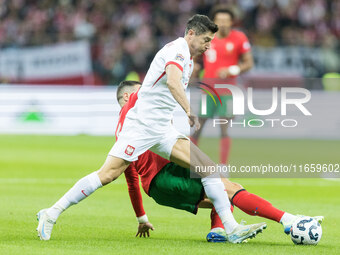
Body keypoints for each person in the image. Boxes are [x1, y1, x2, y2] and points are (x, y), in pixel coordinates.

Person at [36, 14, 266, 243]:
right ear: (191, 33)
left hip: (162, 129)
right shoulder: (177, 50)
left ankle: (231, 228)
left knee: (208, 168)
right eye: (206, 39)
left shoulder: (187, 57)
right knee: (107, 174)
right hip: (142, 127)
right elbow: (173, 81)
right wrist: (188, 110)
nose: (209, 45)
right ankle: (51, 213)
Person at [116, 81, 324, 242]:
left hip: (156, 190)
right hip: (170, 171)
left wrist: (142, 218)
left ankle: (217, 230)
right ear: (127, 96)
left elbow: (132, 181)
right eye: (139, 91)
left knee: (219, 193)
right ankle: (289, 220)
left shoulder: (121, 133)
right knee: (231, 189)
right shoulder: (142, 112)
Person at [191, 6, 254, 165]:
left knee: (224, 128)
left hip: (227, 91)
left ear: (232, 22)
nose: (223, 24)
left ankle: (223, 166)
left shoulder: (239, 38)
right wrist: (195, 68)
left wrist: (232, 69)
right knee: (198, 127)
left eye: (226, 21)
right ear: (214, 22)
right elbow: (195, 58)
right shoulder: (206, 37)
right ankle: (189, 162)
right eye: (220, 21)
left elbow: (249, 63)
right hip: (208, 91)